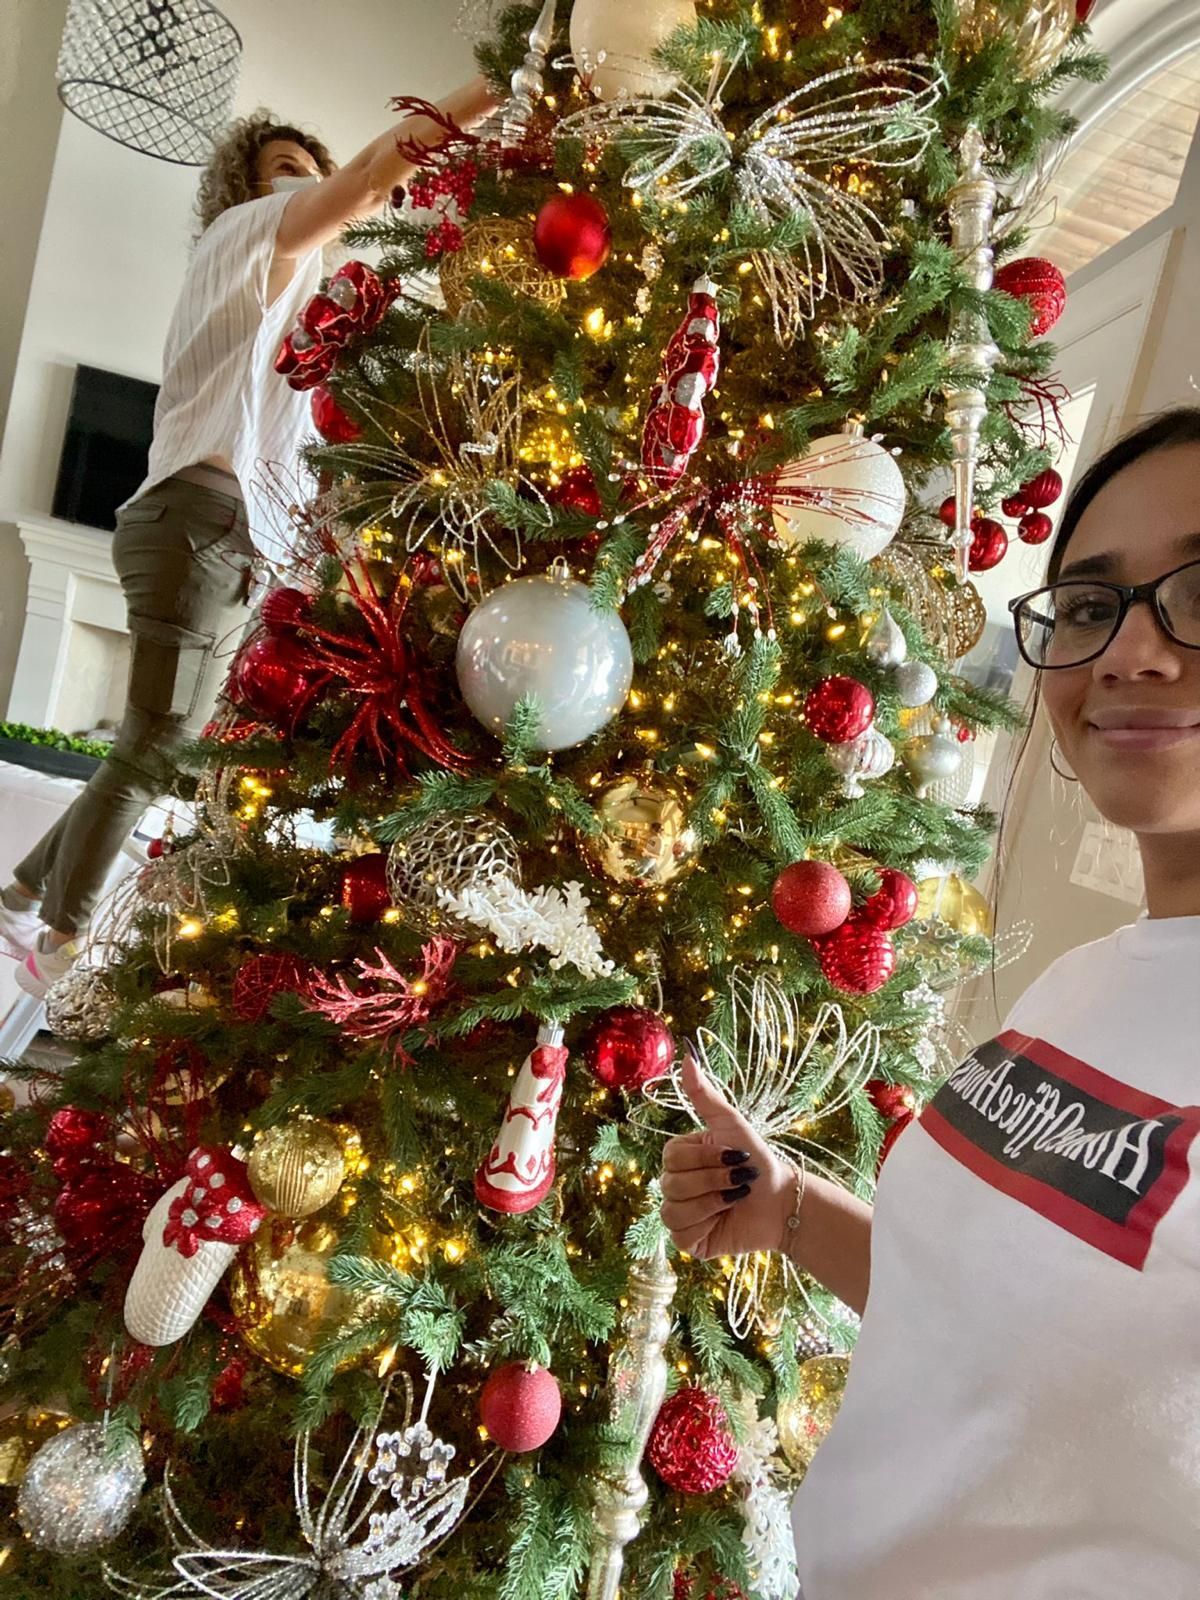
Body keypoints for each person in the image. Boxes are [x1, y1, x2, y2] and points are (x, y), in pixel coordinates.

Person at [661, 408, 1200, 1598]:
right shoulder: (1093, 978)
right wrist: (793, 1209)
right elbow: (982, 1312)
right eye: (1095, 603)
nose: (1131, 654)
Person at [0, 77, 497, 999]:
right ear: (246, 186)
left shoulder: (300, 299)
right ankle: (58, 943)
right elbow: (359, 186)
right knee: (156, 750)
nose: (301, 181)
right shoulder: (247, 240)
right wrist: (476, 101)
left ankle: (24, 890)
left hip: (209, 527)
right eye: (283, 169)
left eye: (306, 170)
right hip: (197, 522)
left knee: (154, 744)